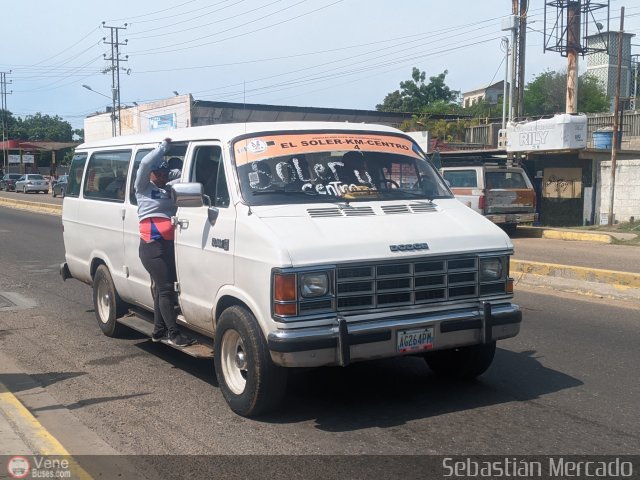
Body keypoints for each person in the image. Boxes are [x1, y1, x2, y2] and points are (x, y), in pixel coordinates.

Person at [134, 138, 194, 347]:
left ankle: (158, 331)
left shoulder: (169, 187)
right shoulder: (142, 187)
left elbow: (186, 174)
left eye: (164, 174)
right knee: (167, 288)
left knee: (161, 290)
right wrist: (162, 148)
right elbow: (144, 164)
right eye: (157, 173)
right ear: (151, 173)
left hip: (169, 245)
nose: (160, 177)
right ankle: (173, 333)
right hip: (152, 246)